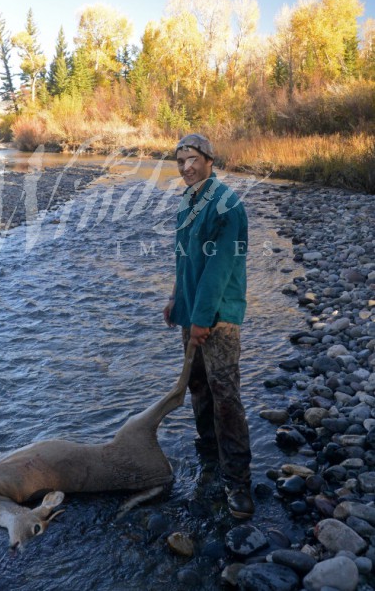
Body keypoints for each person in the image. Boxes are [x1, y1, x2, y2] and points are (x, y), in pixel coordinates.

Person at [163, 133, 254, 519]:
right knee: (198, 385)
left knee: (225, 394)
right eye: (180, 161)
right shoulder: (189, 201)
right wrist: (175, 298)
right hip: (192, 311)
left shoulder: (226, 205)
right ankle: (209, 453)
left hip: (220, 316)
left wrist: (202, 320)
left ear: (209, 160)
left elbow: (220, 267)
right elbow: (185, 259)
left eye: (193, 159)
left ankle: (238, 481)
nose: (186, 167)